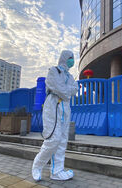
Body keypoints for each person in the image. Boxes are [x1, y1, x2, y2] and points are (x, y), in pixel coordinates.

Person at [32, 50, 78, 181]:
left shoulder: (70, 76)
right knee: (53, 139)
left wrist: (64, 90)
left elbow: (75, 89)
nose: (72, 60)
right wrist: (66, 91)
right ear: (64, 58)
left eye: (73, 58)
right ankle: (37, 166)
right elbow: (58, 88)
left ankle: (57, 171)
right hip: (53, 107)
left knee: (63, 141)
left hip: (65, 109)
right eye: (70, 58)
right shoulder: (53, 71)